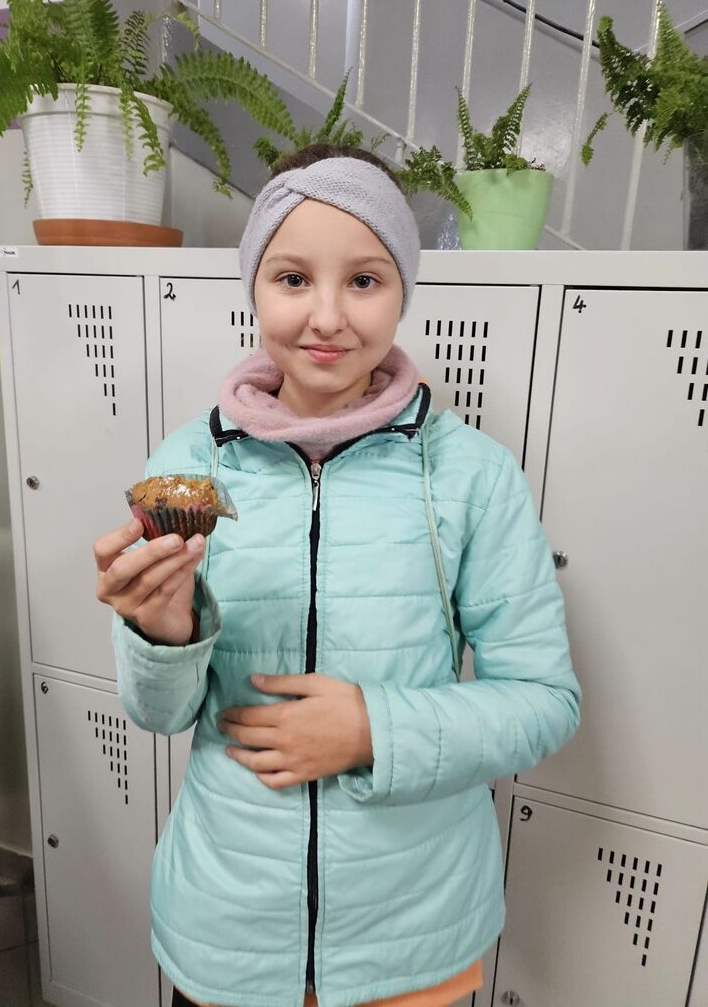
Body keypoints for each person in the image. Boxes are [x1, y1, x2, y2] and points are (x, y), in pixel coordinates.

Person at [94, 143, 582, 1007]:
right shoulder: (189, 464)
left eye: (363, 280)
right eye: (292, 278)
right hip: (228, 931)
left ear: (403, 290)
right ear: (254, 287)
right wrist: (162, 632)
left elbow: (546, 701)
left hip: (414, 938)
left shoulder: (471, 475)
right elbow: (160, 713)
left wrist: (372, 732)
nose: (327, 317)